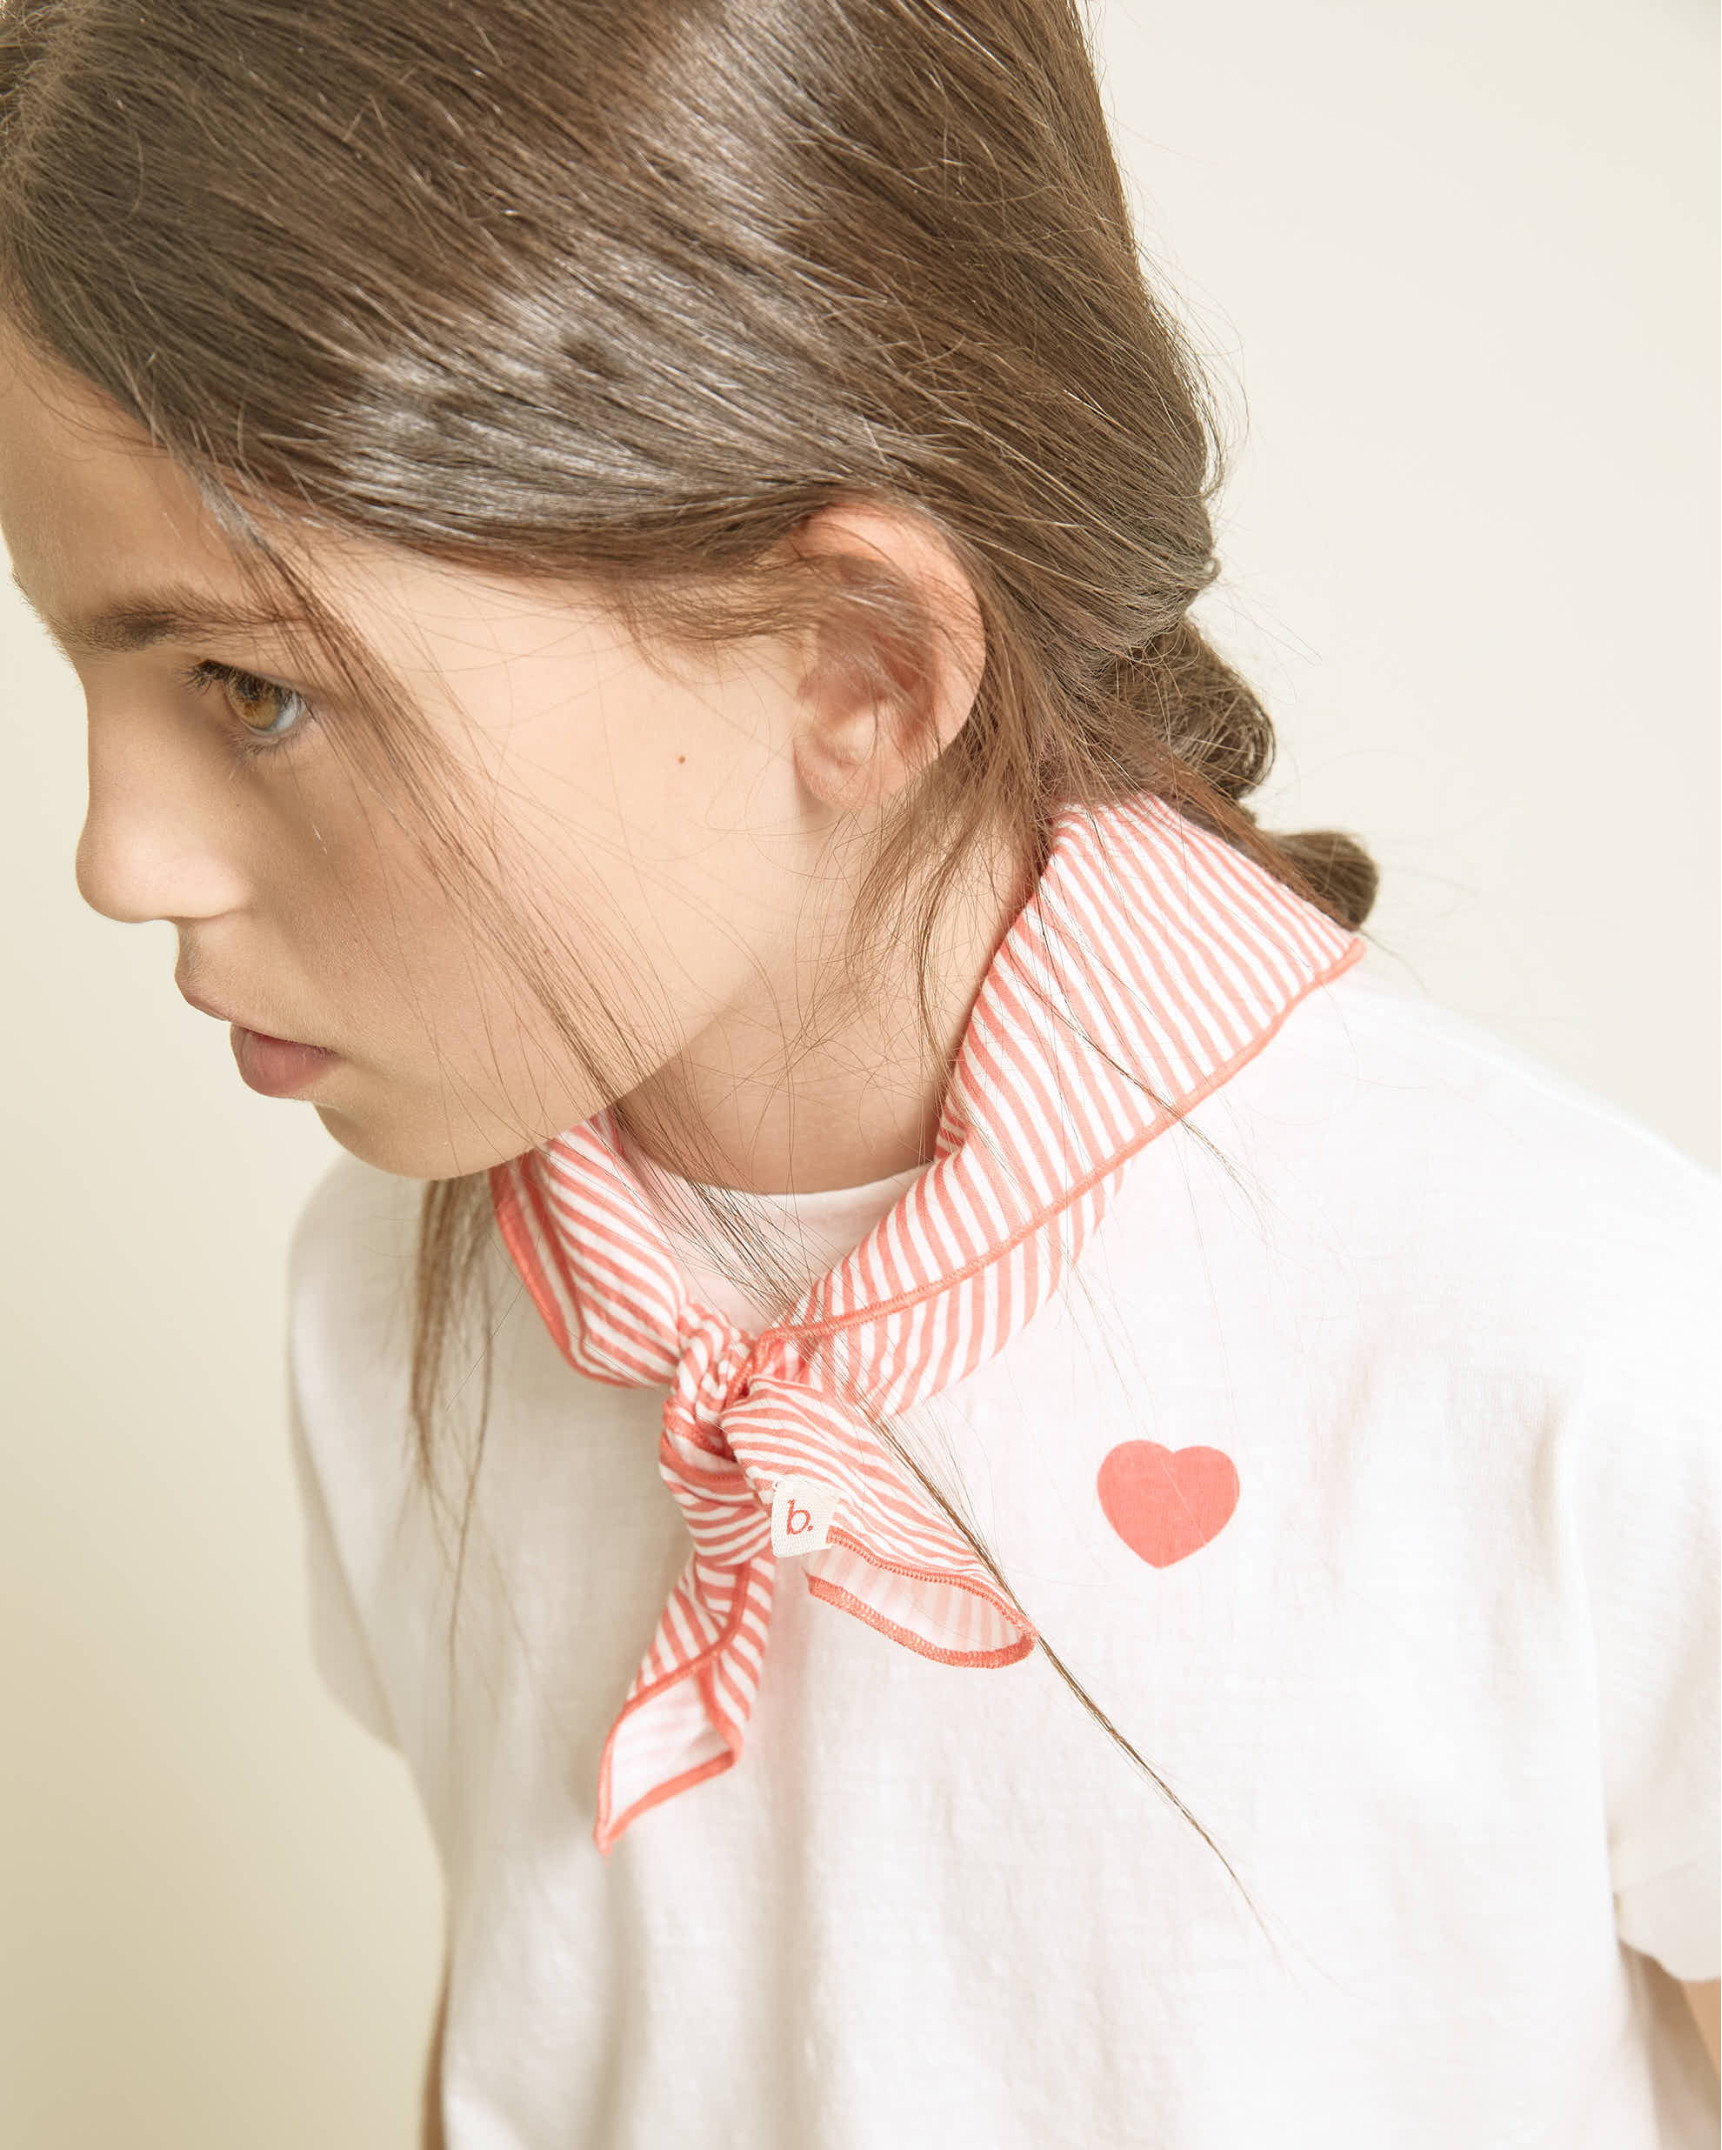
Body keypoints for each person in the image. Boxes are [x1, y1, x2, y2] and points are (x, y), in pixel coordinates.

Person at [0, 0, 1714, 2143]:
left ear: (854, 664)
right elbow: (536, 2034)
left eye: (252, 689)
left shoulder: (1566, 1336)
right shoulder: (389, 1290)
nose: (115, 857)